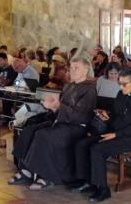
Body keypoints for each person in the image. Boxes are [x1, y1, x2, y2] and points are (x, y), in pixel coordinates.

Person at [72, 68, 131, 203]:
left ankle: (103, 189)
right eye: (119, 83)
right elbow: (115, 115)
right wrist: (106, 116)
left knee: (97, 149)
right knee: (82, 144)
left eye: (124, 84)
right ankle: (87, 181)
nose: (121, 87)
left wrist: (116, 134)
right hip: (112, 132)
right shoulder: (121, 94)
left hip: (129, 138)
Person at [21, 57, 97, 189]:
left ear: (85, 71)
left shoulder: (89, 89)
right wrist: (51, 106)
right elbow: (59, 109)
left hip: (77, 127)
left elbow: (82, 116)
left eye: (76, 68)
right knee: (29, 129)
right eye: (71, 68)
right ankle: (26, 170)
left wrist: (58, 106)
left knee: (43, 135)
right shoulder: (68, 86)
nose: (72, 71)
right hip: (63, 121)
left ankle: (45, 176)